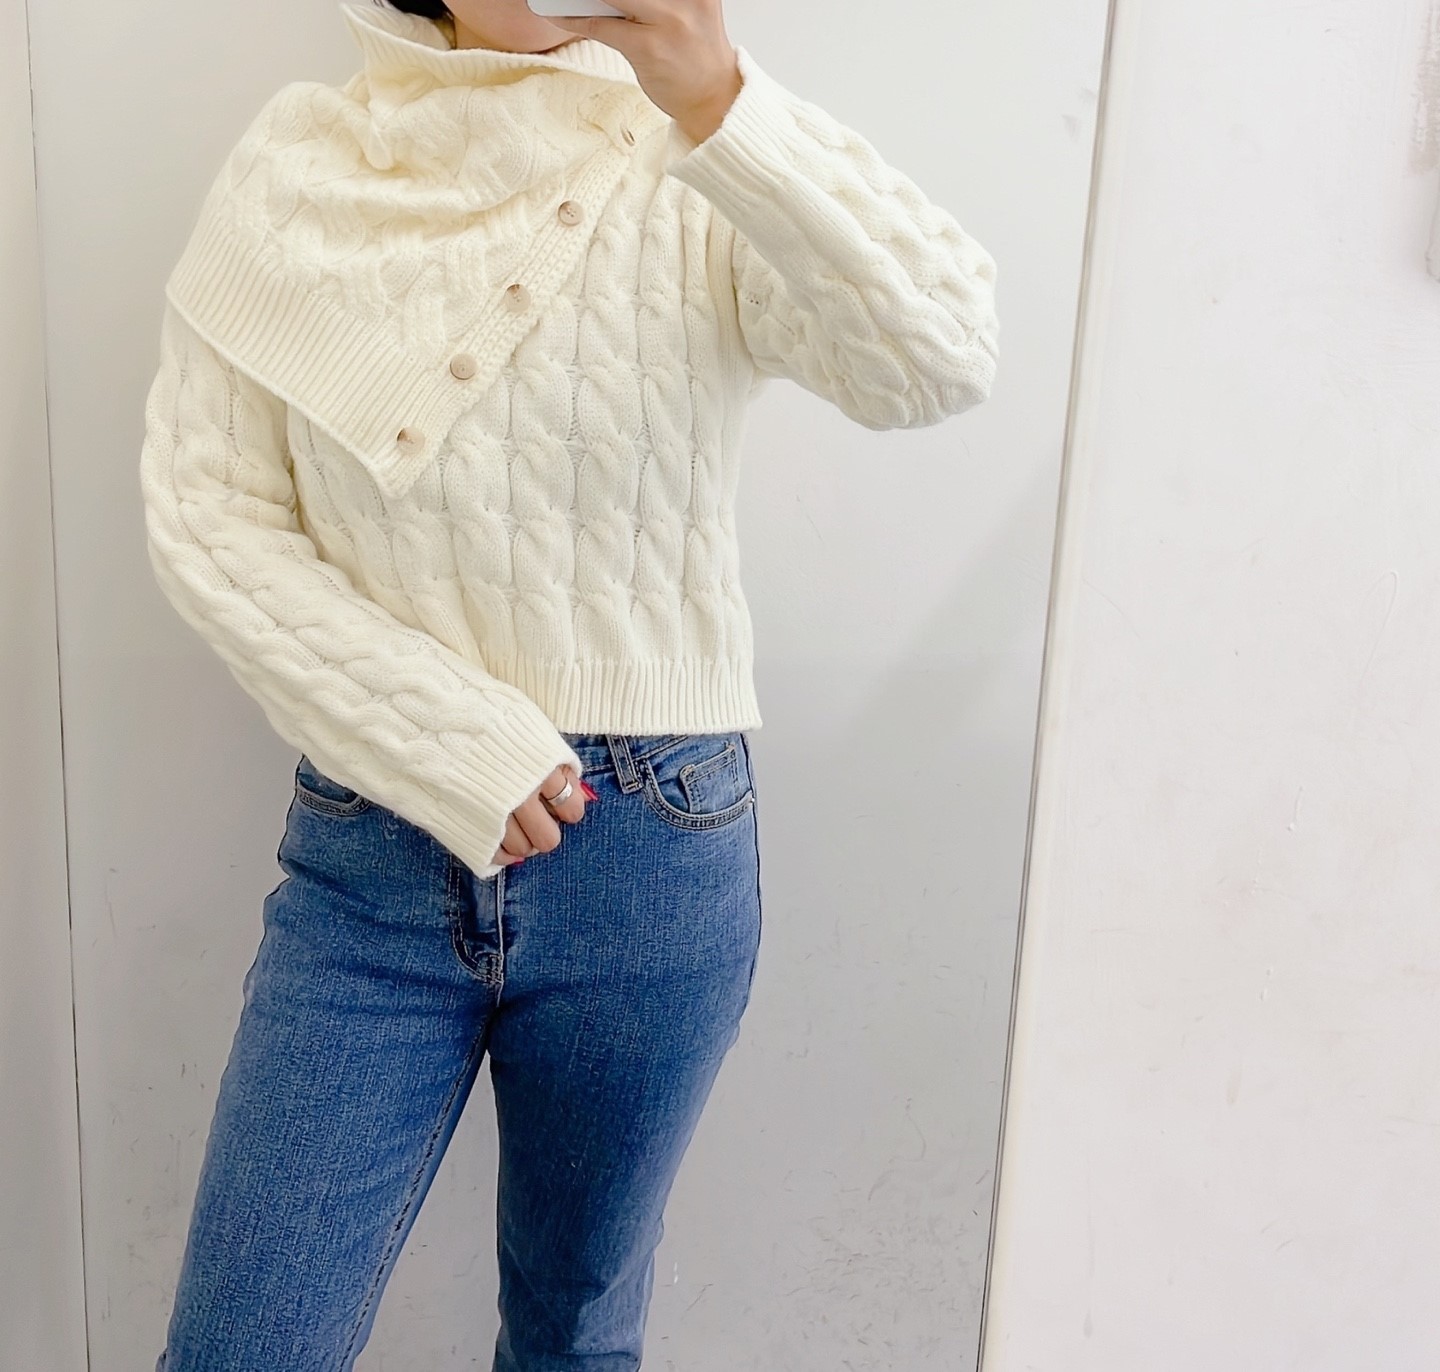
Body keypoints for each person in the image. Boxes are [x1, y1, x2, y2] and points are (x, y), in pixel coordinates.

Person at [137, 0, 1000, 1366]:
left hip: (653, 848)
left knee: (577, 1335)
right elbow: (211, 511)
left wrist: (723, 98)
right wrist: (451, 744)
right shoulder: (299, 163)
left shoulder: (692, 142)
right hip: (373, 855)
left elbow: (941, 356)